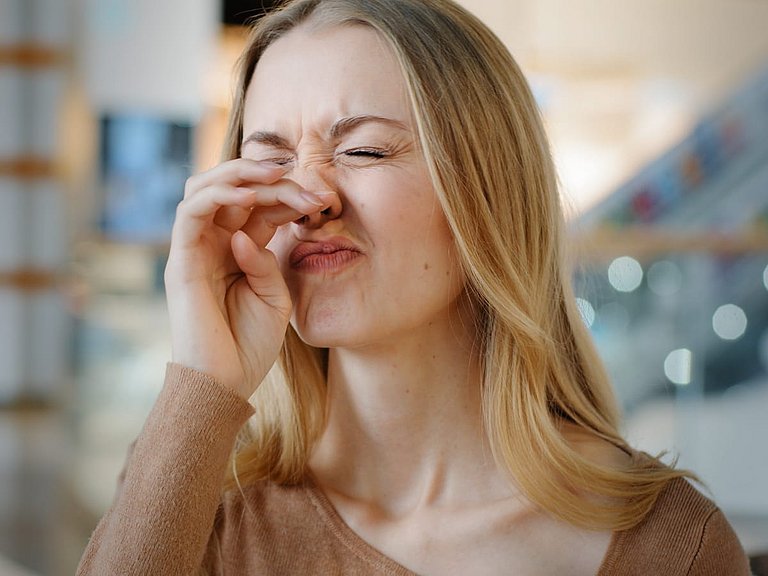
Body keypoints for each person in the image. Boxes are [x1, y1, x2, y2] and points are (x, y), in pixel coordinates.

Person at [77, 0, 751, 574]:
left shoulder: (670, 547)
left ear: (487, 192)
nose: (308, 198)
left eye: (364, 150)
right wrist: (202, 379)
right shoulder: (195, 512)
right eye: (270, 162)